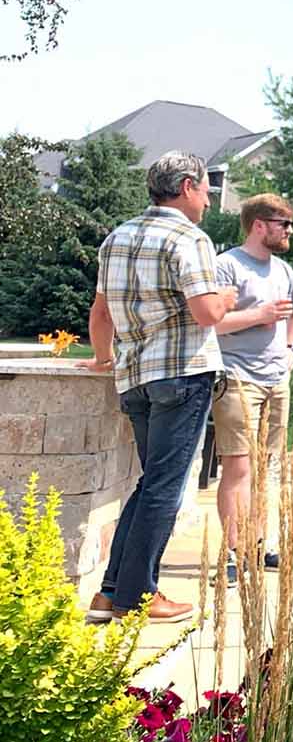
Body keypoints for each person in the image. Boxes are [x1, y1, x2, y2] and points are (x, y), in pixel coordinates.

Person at [79, 151, 238, 623]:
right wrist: (226, 296)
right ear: (187, 186)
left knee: (151, 485)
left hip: (134, 381)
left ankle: (111, 593)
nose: (209, 199)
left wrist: (104, 360)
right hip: (181, 377)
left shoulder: (117, 237)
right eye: (207, 188)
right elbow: (207, 312)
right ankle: (140, 597)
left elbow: (101, 313)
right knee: (164, 490)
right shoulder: (190, 238)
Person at [210, 194, 293, 586]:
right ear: (258, 225)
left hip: (275, 380)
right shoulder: (227, 265)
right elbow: (211, 322)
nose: (289, 231)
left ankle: (256, 545)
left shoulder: (282, 270)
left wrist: (292, 351)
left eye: (289, 224)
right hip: (236, 377)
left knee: (264, 468)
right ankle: (233, 553)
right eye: (283, 223)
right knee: (238, 466)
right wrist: (261, 316)